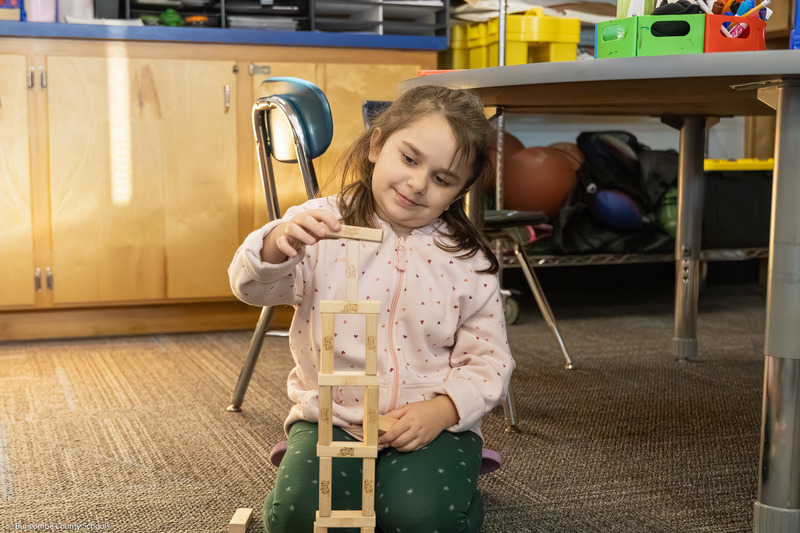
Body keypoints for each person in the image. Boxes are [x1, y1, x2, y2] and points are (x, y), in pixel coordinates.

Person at [229, 85, 515, 533]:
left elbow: (490, 362)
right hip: (335, 416)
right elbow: (251, 288)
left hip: (427, 424)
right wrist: (275, 244)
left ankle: (459, 482)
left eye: (442, 179)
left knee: (423, 520)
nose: (418, 184)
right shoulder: (322, 225)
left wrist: (443, 410)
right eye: (409, 158)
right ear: (377, 145)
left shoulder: (466, 260)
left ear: (462, 189)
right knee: (297, 518)